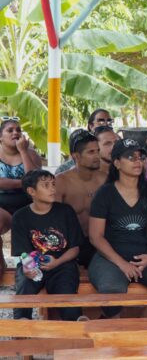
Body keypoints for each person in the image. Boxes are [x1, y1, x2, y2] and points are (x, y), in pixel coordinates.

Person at [88, 139, 147, 318]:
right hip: (110, 258)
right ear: (117, 163)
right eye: (130, 157)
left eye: (140, 157)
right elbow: (95, 236)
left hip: (145, 256)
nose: (138, 161)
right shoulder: (105, 193)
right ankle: (116, 328)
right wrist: (121, 263)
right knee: (111, 289)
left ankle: (143, 324)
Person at [12, 170, 84, 321]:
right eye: (46, 185)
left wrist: (57, 262)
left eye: (53, 184)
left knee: (66, 290)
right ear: (32, 191)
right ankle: (21, 325)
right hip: (33, 265)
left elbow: (75, 248)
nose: (52, 189)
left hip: (62, 263)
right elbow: (24, 254)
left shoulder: (65, 211)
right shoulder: (20, 216)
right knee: (25, 283)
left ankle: (75, 324)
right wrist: (27, 268)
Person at [56, 130, 107, 267]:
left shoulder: (105, 180)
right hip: (71, 243)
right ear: (76, 156)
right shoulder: (62, 181)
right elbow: (52, 218)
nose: (97, 156)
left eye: (98, 151)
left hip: (101, 241)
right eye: (91, 152)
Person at [0, 118, 42, 272]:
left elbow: (34, 178)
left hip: (28, 204)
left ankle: (29, 267)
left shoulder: (31, 154)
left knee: (31, 226)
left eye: (18, 130)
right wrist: (22, 183)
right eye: (10, 130)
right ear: (0, 136)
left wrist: (23, 151)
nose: (15, 133)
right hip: (2, 205)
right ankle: (1, 263)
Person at [57, 109, 113, 174]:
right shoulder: (64, 170)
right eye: (101, 122)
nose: (106, 125)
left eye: (109, 122)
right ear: (91, 126)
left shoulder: (117, 163)